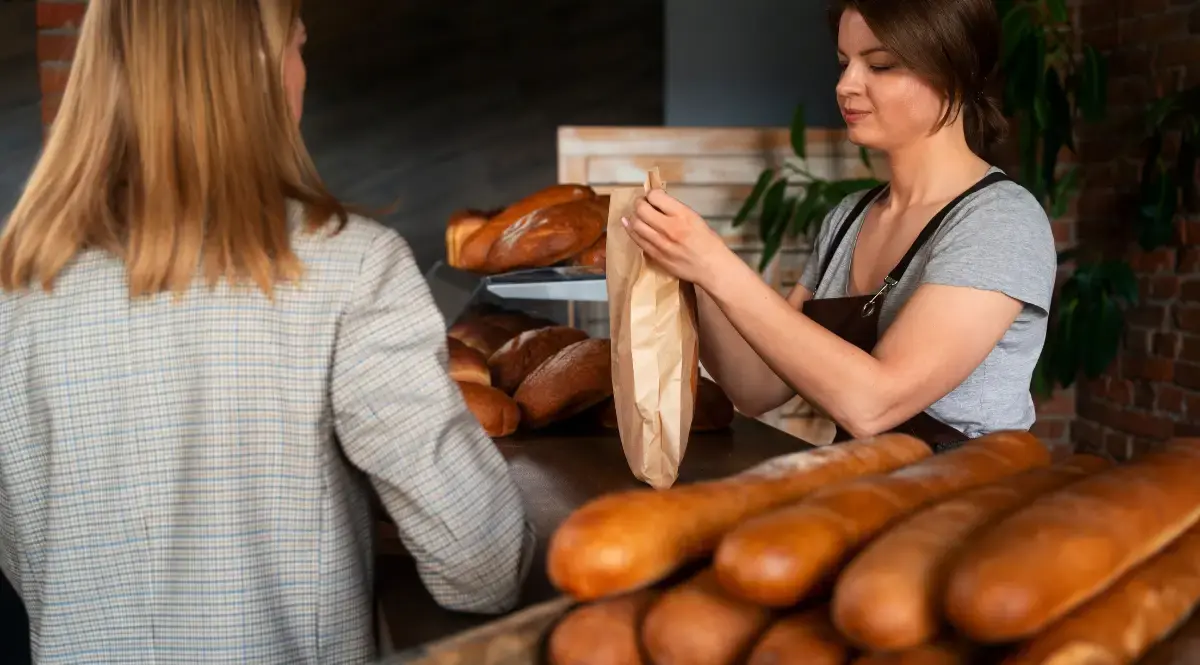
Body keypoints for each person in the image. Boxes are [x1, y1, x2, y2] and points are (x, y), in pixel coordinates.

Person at [0, 1, 533, 663]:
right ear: (256, 67)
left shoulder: (14, 284)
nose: (300, 69)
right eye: (296, 45)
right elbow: (481, 566)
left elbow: (31, 557)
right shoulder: (352, 264)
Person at [622, 0, 1056, 451]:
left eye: (881, 65)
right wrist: (694, 270)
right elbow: (756, 388)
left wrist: (716, 266)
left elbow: (874, 404)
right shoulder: (848, 218)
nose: (846, 86)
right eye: (845, 64)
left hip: (967, 505)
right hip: (861, 491)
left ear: (954, 72)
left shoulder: (1000, 221)